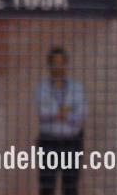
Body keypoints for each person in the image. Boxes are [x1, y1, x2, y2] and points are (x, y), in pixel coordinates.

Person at [36, 47, 85, 195]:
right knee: (47, 186)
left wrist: (59, 115)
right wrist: (66, 112)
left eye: (61, 63)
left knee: (70, 187)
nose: (58, 67)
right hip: (49, 141)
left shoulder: (76, 87)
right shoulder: (42, 88)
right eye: (55, 63)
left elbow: (81, 114)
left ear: (66, 64)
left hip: (72, 141)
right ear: (49, 65)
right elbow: (42, 113)